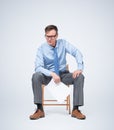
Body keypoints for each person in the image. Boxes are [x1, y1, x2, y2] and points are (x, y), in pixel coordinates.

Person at [29, 25, 86, 120]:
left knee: (80, 77)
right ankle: (39, 110)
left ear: (57, 36)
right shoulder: (41, 48)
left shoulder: (63, 43)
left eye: (52, 36)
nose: (50, 39)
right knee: (36, 76)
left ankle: (76, 109)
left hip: (63, 74)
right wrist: (52, 74)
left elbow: (77, 52)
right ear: (45, 36)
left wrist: (79, 68)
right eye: (47, 36)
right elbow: (38, 67)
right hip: (48, 76)